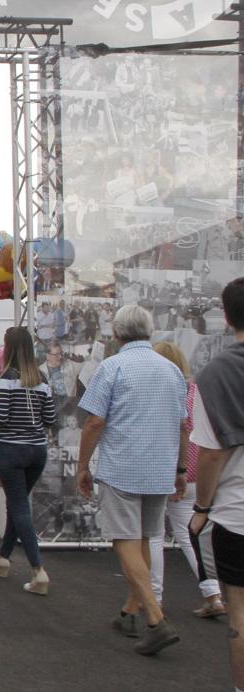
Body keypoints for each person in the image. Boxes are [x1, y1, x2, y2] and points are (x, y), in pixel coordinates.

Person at [76, 305, 186, 656]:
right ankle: (131, 610)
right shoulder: (172, 370)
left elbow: (94, 422)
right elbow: (184, 425)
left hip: (123, 466)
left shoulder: (112, 367)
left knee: (124, 539)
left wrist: (82, 465)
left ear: (117, 332)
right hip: (160, 468)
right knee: (144, 540)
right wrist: (181, 469)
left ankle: (155, 618)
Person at [188, 277, 244, 691]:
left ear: (225, 317)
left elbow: (210, 453)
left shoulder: (218, 373)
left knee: (240, 616)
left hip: (237, 513)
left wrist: (202, 508)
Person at [147, 342, 224, 618]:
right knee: (190, 535)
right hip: (195, 474)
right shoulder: (197, 393)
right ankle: (212, 593)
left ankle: (154, 599)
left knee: (154, 535)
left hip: (167, 471)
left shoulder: (163, 394)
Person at [0, 327, 55, 594]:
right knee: (18, 506)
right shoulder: (42, 378)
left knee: (18, 507)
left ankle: (38, 570)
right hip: (37, 450)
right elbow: (50, 419)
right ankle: (2, 559)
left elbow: (0, 417)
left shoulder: (6, 379)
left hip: (11, 450)